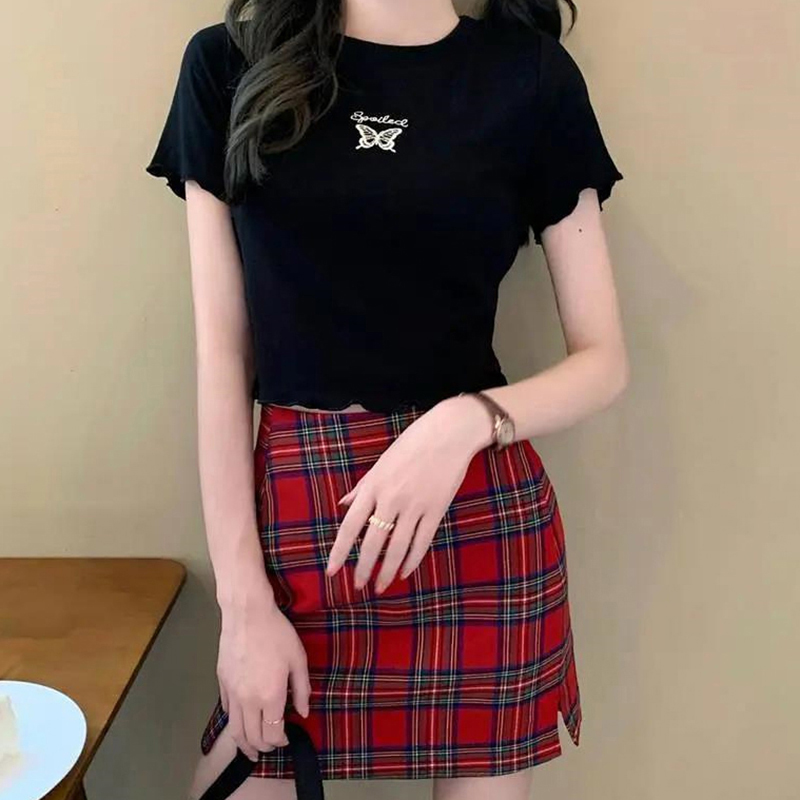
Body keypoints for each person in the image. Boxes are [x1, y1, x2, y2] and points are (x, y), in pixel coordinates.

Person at [145, 1, 628, 798]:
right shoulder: (229, 66)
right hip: (297, 525)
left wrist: (463, 423)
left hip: (474, 521)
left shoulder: (530, 76)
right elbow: (222, 356)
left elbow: (604, 362)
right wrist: (242, 602)